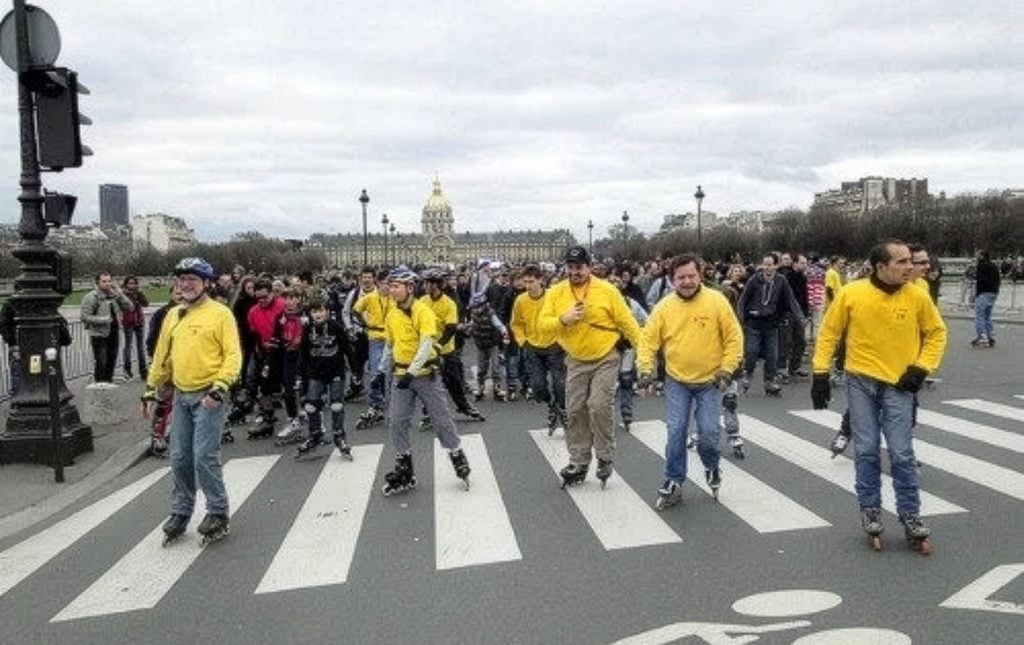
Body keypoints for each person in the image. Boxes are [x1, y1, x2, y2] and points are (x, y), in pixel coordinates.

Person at [811, 240, 946, 552]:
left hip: (900, 384)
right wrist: (820, 373)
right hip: (861, 381)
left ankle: (910, 514)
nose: (910, 267)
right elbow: (829, 332)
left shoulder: (917, 294)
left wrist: (922, 367)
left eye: (910, 261)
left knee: (901, 453)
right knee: (868, 449)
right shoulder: (852, 293)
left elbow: (937, 332)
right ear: (880, 267)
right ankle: (870, 508)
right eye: (901, 262)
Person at [142, 257, 241, 545]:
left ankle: (218, 511)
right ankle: (181, 511)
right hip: (181, 394)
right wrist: (150, 388)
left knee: (204, 456)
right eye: (182, 279)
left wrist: (220, 387)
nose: (185, 284)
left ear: (205, 284)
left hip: (209, 394)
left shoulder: (220, 314)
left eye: (192, 279)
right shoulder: (174, 315)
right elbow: (162, 355)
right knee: (179, 456)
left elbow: (233, 354)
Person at [638, 254, 743, 508]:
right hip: (677, 380)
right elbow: (648, 340)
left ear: (700, 274)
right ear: (672, 280)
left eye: (691, 276)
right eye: (681, 277)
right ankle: (674, 478)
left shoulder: (717, 301)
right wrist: (644, 372)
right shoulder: (664, 307)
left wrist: (727, 369)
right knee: (675, 431)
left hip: (710, 381)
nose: (686, 282)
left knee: (708, 432)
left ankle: (712, 466)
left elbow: (734, 338)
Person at [538, 246, 641, 488]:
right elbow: (542, 324)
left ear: (589, 266)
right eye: (570, 267)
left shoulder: (607, 290)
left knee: (597, 406)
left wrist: (644, 356)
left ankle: (604, 456)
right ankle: (579, 460)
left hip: (605, 356)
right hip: (575, 359)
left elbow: (628, 323)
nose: (575, 272)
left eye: (579, 267)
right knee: (574, 411)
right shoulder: (556, 292)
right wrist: (562, 319)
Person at [375, 268, 470, 495]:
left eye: (396, 286)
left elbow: (427, 343)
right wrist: (381, 371)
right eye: (391, 285)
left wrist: (412, 372)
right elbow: (391, 345)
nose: (392, 289)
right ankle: (404, 467)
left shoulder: (423, 311)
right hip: (401, 375)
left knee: (440, 419)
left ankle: (456, 453)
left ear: (409, 288)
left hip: (425, 374)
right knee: (397, 420)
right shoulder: (392, 315)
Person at [736, 253, 805, 396]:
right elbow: (743, 299)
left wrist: (800, 317)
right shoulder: (754, 280)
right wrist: (740, 317)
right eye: (764, 264)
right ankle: (747, 374)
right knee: (752, 351)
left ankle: (769, 382)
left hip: (771, 323)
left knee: (772, 355)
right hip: (754, 322)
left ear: (776, 265)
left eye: (770, 264)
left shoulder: (781, 281)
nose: (766, 267)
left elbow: (791, 300)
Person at [420, 269, 484, 421]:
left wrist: (439, 346)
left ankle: (463, 406)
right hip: (427, 348)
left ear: (437, 285)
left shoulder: (449, 303)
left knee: (453, 380)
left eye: (428, 283)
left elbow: (450, 329)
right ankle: (429, 409)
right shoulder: (422, 301)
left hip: (445, 348)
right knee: (427, 381)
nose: (425, 286)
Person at [511, 264, 566, 434]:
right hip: (533, 347)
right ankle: (552, 406)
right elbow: (516, 324)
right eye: (525, 282)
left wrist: (563, 340)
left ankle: (562, 410)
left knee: (560, 384)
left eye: (531, 281)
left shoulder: (552, 296)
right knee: (538, 387)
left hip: (554, 346)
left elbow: (562, 318)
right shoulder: (521, 300)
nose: (528, 285)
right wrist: (523, 341)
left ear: (541, 280)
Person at [295, 297, 352, 459]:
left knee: (336, 405)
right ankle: (315, 434)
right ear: (310, 314)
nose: (318, 314)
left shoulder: (336, 327)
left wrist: (355, 372)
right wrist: (299, 374)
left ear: (327, 312)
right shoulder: (307, 329)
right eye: (314, 311)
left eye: (321, 311)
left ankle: (339, 435)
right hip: (316, 373)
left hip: (336, 372)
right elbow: (303, 354)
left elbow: (347, 348)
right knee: (311, 406)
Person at [353, 269, 392, 428]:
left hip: (392, 339)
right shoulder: (369, 298)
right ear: (379, 283)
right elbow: (355, 311)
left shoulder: (395, 298)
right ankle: (376, 403)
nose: (388, 287)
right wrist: (364, 323)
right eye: (386, 283)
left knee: (393, 373)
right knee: (376, 371)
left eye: (390, 284)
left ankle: (393, 403)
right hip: (375, 338)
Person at [80, 272, 134, 386]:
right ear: (98, 283)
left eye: (109, 281)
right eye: (104, 281)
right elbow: (84, 317)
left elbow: (130, 307)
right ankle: (100, 384)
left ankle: (108, 382)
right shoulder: (91, 297)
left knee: (112, 359)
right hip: (99, 334)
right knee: (101, 361)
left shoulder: (114, 295)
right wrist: (102, 319)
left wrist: (119, 294)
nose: (107, 284)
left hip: (113, 332)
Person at [120, 275, 149, 380]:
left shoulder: (138, 293)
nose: (132, 286)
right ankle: (127, 370)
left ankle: (143, 370)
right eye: (130, 283)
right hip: (128, 322)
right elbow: (125, 306)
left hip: (139, 322)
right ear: (126, 284)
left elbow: (146, 304)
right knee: (127, 347)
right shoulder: (123, 294)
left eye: (134, 283)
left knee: (140, 348)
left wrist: (140, 293)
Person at [972, 250, 1000, 347]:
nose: (976, 257)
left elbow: (980, 281)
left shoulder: (981, 266)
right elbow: (998, 279)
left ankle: (982, 336)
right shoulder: (994, 265)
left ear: (982, 256)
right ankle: (989, 335)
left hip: (983, 292)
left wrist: (977, 294)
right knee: (987, 315)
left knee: (980, 315)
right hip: (993, 293)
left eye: (978, 255)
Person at [0, 299, 21, 397]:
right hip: (16, 343)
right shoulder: (11, 304)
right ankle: (17, 396)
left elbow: (3, 324)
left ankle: (17, 397)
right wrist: (10, 340)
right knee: (17, 371)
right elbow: (2, 324)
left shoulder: (10, 304)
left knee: (17, 371)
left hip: (16, 343)